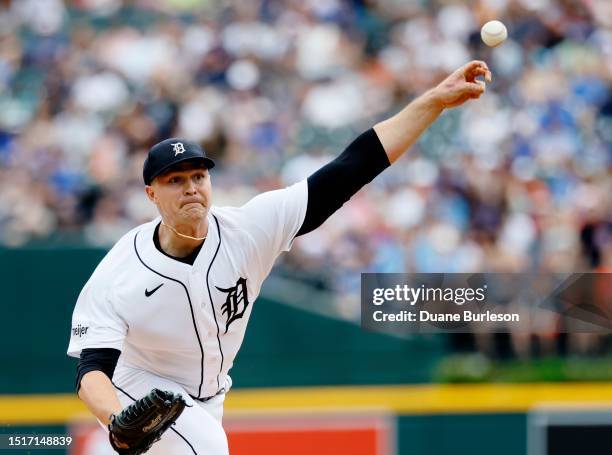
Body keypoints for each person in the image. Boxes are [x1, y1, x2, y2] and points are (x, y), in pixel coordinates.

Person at [67, 60, 491, 454]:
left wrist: (433, 101)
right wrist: (117, 420)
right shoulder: (120, 270)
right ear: (151, 194)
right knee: (210, 448)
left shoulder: (248, 229)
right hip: (138, 392)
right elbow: (92, 371)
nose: (191, 187)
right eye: (175, 180)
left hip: (209, 398)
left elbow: (351, 167)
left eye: (198, 175)